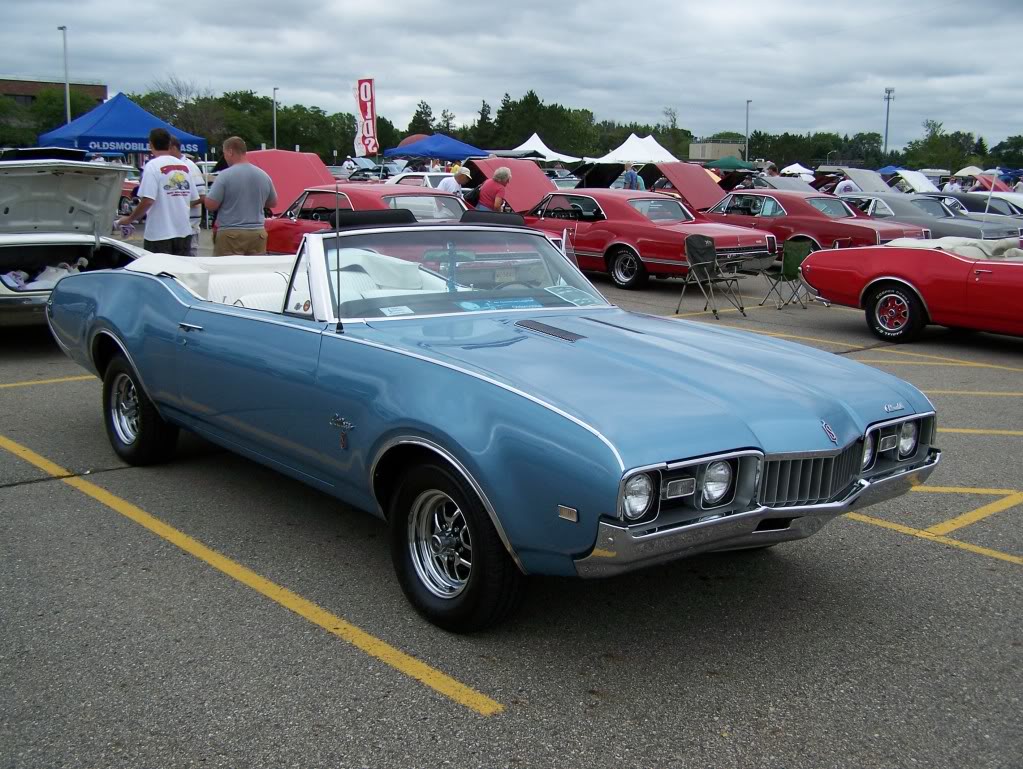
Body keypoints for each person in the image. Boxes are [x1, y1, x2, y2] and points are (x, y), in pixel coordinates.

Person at [117, 128, 197, 255]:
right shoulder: (184, 167)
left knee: (158, 272)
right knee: (179, 272)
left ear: (151, 144)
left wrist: (130, 219)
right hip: (183, 232)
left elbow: (148, 200)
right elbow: (193, 197)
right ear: (169, 143)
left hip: (159, 234)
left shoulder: (152, 166)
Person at [204, 136, 277, 256]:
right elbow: (273, 202)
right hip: (257, 233)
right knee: (253, 272)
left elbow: (211, 205)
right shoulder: (263, 175)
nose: (225, 157)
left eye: (224, 153)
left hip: (231, 233)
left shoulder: (224, 176)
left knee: (228, 272)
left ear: (230, 151)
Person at [168, 135, 207, 256]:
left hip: (189, 228)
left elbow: (201, 196)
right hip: (173, 229)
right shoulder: (169, 167)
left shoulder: (190, 167)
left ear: (174, 148)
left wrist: (179, 206)